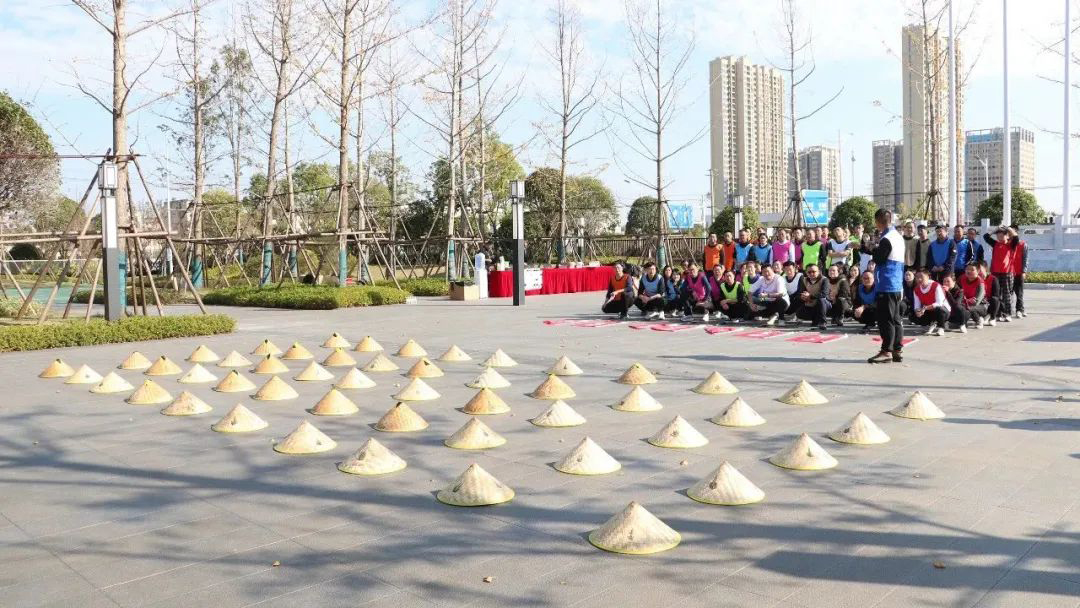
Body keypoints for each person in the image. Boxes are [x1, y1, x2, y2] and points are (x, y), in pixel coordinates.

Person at [868, 208, 906, 363]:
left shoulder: (887, 238)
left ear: (878, 221)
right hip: (896, 283)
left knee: (885, 319)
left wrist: (872, 248)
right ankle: (897, 349)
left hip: (887, 283)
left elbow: (879, 259)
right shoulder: (898, 236)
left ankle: (886, 351)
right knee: (895, 319)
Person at [983, 226, 1019, 322]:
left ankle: (1008, 313)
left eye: (1002, 236)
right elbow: (985, 237)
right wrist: (995, 230)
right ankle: (998, 313)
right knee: (996, 294)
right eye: (998, 236)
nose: (999, 238)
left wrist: (1008, 229)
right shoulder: (995, 244)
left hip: (1007, 273)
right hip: (995, 273)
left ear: (1007, 236)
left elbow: (1016, 237)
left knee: (1007, 294)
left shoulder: (1011, 245)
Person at [911, 268, 949, 336]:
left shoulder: (936, 285)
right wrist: (918, 311)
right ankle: (932, 323)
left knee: (939, 309)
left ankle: (941, 327)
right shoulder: (916, 289)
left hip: (943, 310)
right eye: (917, 277)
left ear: (928, 277)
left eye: (921, 277)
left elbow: (939, 303)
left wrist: (926, 308)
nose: (919, 279)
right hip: (929, 311)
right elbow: (917, 305)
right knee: (912, 315)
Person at [794, 264, 830, 330]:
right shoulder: (803, 280)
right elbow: (799, 293)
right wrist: (803, 296)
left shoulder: (824, 279)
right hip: (810, 303)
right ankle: (815, 320)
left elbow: (824, 294)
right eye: (809, 272)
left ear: (819, 271)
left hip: (825, 304)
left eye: (814, 271)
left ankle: (823, 322)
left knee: (821, 300)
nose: (811, 274)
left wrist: (810, 296)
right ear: (806, 272)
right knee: (799, 313)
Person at [957, 263, 989, 329]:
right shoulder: (962, 278)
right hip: (967, 303)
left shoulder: (980, 282)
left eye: (972, 270)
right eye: (967, 269)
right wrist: (965, 301)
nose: (969, 271)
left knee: (969, 308)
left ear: (978, 271)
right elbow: (957, 293)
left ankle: (978, 320)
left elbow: (976, 301)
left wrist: (964, 302)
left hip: (981, 305)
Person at [1010, 224, 1028, 318]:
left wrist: (1024, 271)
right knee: (1009, 293)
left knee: (1019, 293)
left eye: (1012, 231)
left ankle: (1019, 310)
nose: (1010, 233)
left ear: (1016, 232)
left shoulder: (1023, 244)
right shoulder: (1006, 243)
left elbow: (1025, 259)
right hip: (1009, 272)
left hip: (1019, 272)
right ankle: (1009, 310)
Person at [978, 261, 999, 326]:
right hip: (980, 303)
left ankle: (992, 318)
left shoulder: (993, 279)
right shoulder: (975, 279)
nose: (979, 272)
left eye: (980, 269)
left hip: (990, 303)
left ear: (985, 269)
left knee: (995, 299)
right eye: (977, 270)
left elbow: (996, 294)